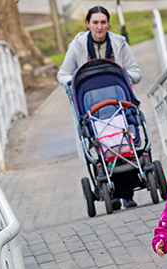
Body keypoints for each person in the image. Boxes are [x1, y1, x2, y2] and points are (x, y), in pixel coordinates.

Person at [57, 5, 141, 209]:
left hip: (118, 102)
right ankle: (110, 193)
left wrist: (123, 76)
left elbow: (136, 72)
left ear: (108, 23)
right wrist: (76, 82)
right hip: (90, 106)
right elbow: (62, 74)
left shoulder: (119, 43)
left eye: (103, 22)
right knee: (98, 144)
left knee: (123, 142)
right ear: (88, 24)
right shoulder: (77, 46)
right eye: (95, 22)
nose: (99, 26)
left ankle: (128, 192)